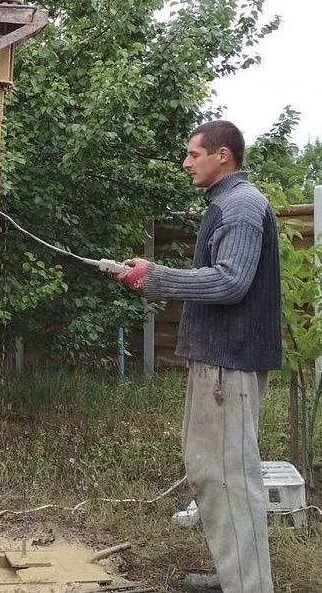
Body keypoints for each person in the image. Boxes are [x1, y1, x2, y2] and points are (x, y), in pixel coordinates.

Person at [113, 120, 281, 593]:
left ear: (222, 155)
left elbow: (230, 282)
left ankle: (247, 586)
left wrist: (155, 277)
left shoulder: (242, 207)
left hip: (229, 364)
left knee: (228, 479)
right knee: (212, 473)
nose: (186, 163)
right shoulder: (228, 204)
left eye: (193, 154)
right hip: (218, 361)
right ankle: (236, 575)